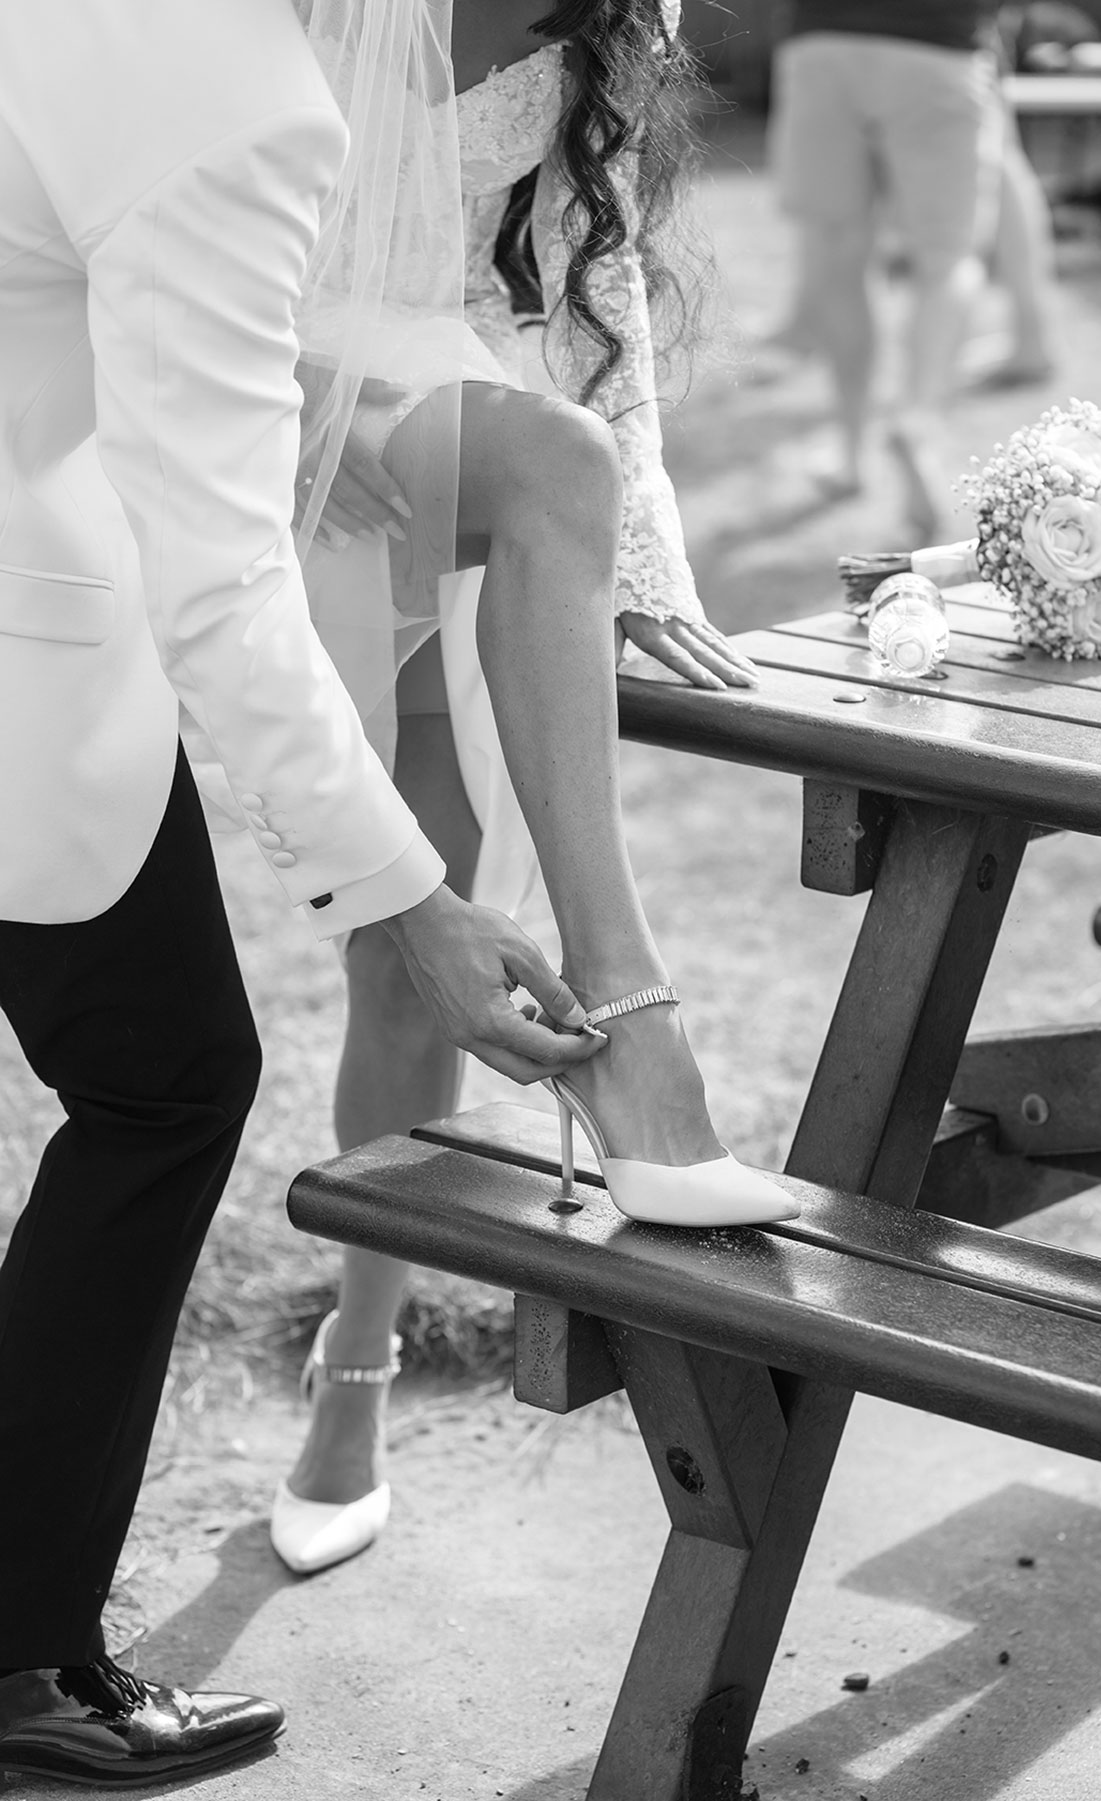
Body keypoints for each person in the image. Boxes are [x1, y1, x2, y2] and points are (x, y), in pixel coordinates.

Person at [0, 0, 620, 1784]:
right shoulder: (241, 95)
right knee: (166, 1087)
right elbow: (214, 561)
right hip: (30, 661)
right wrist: (407, 897)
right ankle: (14, 1660)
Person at [269, 0, 795, 1579]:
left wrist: (639, 564)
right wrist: (298, 400)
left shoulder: (621, 9)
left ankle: (351, 1376)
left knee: (416, 946)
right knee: (549, 465)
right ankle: (641, 1042)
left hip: (462, 420)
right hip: (264, 399)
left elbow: (596, 270)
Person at [767, 0, 1007, 538]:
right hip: (940, 46)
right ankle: (915, 420)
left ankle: (852, 453)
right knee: (947, 262)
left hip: (824, 42)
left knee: (836, 251)